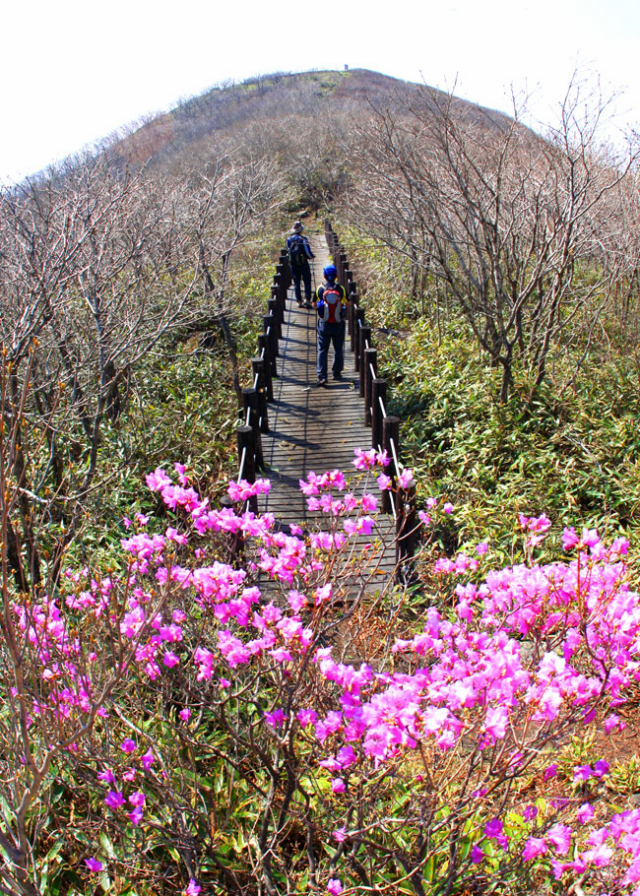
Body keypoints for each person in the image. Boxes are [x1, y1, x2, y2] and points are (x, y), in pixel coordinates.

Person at [315, 264, 348, 386]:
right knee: (338, 348)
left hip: (324, 323)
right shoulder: (341, 289)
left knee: (322, 349)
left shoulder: (320, 289)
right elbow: (347, 303)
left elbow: (315, 304)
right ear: (336, 276)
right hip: (338, 323)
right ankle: (337, 372)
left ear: (324, 275)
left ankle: (322, 375)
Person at [286, 221, 315, 307]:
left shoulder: (289, 239)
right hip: (303, 263)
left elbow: (288, 251)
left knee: (296, 282)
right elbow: (308, 252)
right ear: (301, 230)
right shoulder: (303, 239)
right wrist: (311, 256)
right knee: (307, 281)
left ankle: (299, 301)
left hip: (293, 264)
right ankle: (307, 299)